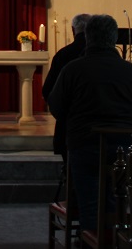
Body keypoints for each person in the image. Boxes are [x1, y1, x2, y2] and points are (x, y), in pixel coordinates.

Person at [47, 14, 132, 233]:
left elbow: (56, 106)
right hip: (124, 145)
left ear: (88, 37)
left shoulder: (73, 70)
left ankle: (92, 239)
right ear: (114, 38)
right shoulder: (130, 71)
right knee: (118, 199)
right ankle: (116, 238)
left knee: (89, 204)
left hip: (85, 144)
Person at [41, 13, 91, 161]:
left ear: (73, 30)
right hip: (101, 130)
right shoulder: (109, 58)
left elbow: (48, 90)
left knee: (69, 166)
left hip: (69, 126)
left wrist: (62, 115)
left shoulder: (64, 54)